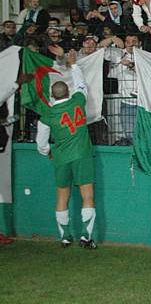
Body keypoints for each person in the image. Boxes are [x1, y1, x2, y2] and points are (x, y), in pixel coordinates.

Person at [35, 50, 98, 250]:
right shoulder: (78, 100)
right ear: (68, 92)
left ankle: (64, 237)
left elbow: (41, 143)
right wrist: (74, 65)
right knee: (87, 195)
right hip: (82, 155)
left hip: (61, 158)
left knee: (62, 196)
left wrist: (48, 152)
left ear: (52, 96)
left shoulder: (48, 115)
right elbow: (81, 84)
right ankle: (86, 238)